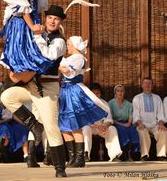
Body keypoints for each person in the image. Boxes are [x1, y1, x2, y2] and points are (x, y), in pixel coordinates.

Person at [1, 5, 67, 178]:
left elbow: (47, 56)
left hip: (47, 89)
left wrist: (37, 35)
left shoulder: (59, 41)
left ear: (60, 22)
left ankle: (60, 167)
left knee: (52, 127)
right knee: (6, 96)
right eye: (50, 17)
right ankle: (33, 125)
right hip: (31, 86)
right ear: (46, 18)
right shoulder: (40, 33)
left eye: (56, 19)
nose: (52, 21)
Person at [58, 36, 109, 167]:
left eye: (69, 44)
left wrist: (56, 60)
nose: (67, 46)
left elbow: (66, 71)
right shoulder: (69, 58)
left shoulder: (79, 58)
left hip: (73, 92)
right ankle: (72, 157)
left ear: (75, 45)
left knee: (74, 126)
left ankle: (80, 158)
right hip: (64, 92)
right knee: (64, 127)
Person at [82, 82, 123, 162]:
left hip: (102, 128)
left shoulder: (104, 103)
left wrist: (104, 126)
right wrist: (98, 127)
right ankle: (85, 154)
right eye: (94, 93)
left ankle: (114, 156)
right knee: (85, 128)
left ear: (100, 94)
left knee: (112, 129)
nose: (96, 95)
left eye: (98, 93)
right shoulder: (85, 104)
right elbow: (85, 120)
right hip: (92, 127)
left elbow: (109, 119)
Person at [132, 77, 167, 161]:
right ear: (142, 85)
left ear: (152, 86)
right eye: (145, 83)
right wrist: (140, 123)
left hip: (155, 124)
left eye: (149, 83)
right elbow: (136, 114)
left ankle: (161, 155)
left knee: (164, 131)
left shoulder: (157, 98)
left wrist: (161, 123)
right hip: (142, 124)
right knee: (142, 131)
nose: (147, 85)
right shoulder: (137, 98)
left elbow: (161, 114)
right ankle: (144, 155)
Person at [108, 84, 140, 161]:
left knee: (133, 130)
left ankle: (134, 152)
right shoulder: (110, 103)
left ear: (124, 92)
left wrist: (128, 123)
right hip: (115, 123)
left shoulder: (129, 104)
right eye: (118, 91)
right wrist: (122, 124)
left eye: (121, 91)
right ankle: (124, 153)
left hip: (127, 123)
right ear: (115, 93)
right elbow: (110, 118)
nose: (120, 93)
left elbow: (130, 118)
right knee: (122, 130)